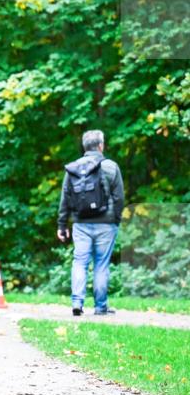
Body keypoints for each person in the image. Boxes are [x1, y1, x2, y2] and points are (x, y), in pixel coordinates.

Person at [56, 129, 125, 316]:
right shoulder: (111, 166)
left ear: (84, 147)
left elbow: (65, 199)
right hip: (106, 223)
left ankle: (77, 303)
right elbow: (119, 198)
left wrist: (62, 225)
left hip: (81, 223)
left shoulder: (73, 168)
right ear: (101, 146)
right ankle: (100, 307)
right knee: (101, 264)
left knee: (80, 262)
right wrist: (116, 219)